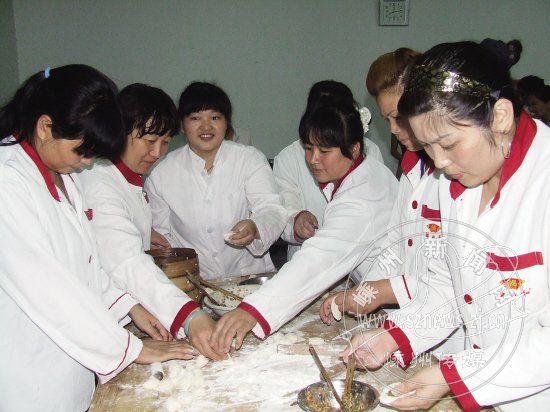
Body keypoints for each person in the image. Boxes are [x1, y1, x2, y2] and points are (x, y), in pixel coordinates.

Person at [343, 41, 550, 411]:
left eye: (449, 144)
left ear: (500, 117)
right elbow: (449, 285)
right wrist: (395, 335)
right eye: (428, 147)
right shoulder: (454, 181)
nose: (438, 163)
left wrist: (453, 376)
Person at [0, 65, 197, 412]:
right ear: (45, 127)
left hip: (70, 370)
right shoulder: (7, 182)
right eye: (82, 150)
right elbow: (49, 287)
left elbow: (86, 266)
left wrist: (127, 306)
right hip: (27, 375)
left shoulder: (63, 175)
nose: (89, 161)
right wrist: (132, 349)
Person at [211, 100, 398, 353]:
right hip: (383, 296)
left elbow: (318, 258)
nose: (313, 160)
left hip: (401, 308)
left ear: (354, 149)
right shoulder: (365, 172)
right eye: (308, 149)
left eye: (325, 151)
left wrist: (254, 310)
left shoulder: (364, 197)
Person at [79, 83, 224, 360]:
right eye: (149, 140)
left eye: (165, 142)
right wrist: (188, 315)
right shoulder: (100, 184)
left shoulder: (127, 179)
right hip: (99, 325)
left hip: (122, 307)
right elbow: (125, 262)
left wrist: (144, 232)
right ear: (120, 130)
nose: (157, 152)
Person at [145, 82, 286, 280]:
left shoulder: (249, 159)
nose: (206, 126)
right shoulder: (161, 173)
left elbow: (271, 208)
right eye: (195, 118)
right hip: (194, 282)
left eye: (215, 117)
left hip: (250, 278)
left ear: (226, 123)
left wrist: (255, 226)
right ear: (182, 125)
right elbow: (162, 236)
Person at [273, 80, 384, 261]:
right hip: (307, 259)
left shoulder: (370, 152)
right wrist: (297, 220)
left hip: (360, 259)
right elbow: (281, 210)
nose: (314, 159)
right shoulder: (288, 158)